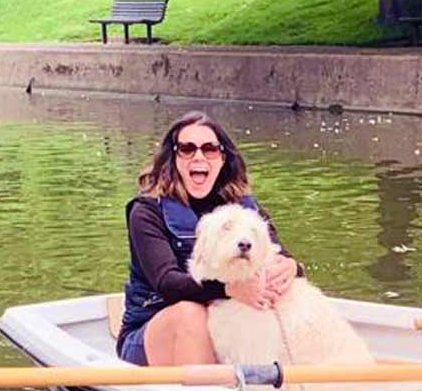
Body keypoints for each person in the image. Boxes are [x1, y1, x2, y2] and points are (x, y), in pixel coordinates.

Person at [117, 112, 300, 366]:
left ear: (222, 158)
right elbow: (167, 283)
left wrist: (291, 267)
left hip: (221, 326)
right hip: (152, 331)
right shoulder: (147, 211)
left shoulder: (243, 208)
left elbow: (278, 253)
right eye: (187, 149)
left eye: (210, 149)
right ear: (174, 158)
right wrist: (230, 289)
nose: (199, 156)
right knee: (190, 314)